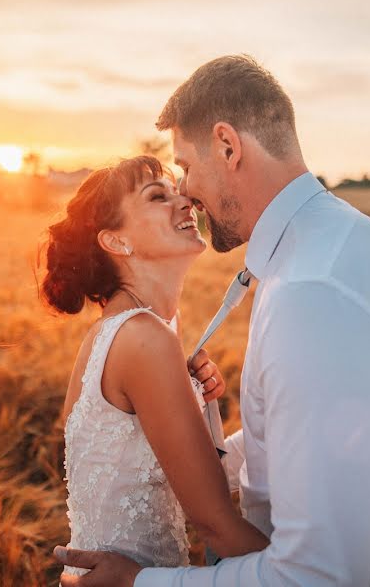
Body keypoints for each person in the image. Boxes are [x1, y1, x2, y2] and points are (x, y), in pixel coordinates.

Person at [55, 55, 370, 586]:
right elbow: (317, 430)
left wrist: (138, 583)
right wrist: (198, 437)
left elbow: (317, 575)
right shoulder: (326, 249)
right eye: (168, 182)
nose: (187, 191)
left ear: (228, 147)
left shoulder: (313, 288)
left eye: (184, 166)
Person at [42, 155, 270, 580]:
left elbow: (183, 480)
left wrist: (203, 414)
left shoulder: (127, 330)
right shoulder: (143, 338)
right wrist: (323, 574)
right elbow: (217, 526)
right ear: (116, 242)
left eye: (178, 192)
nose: (185, 202)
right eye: (157, 197)